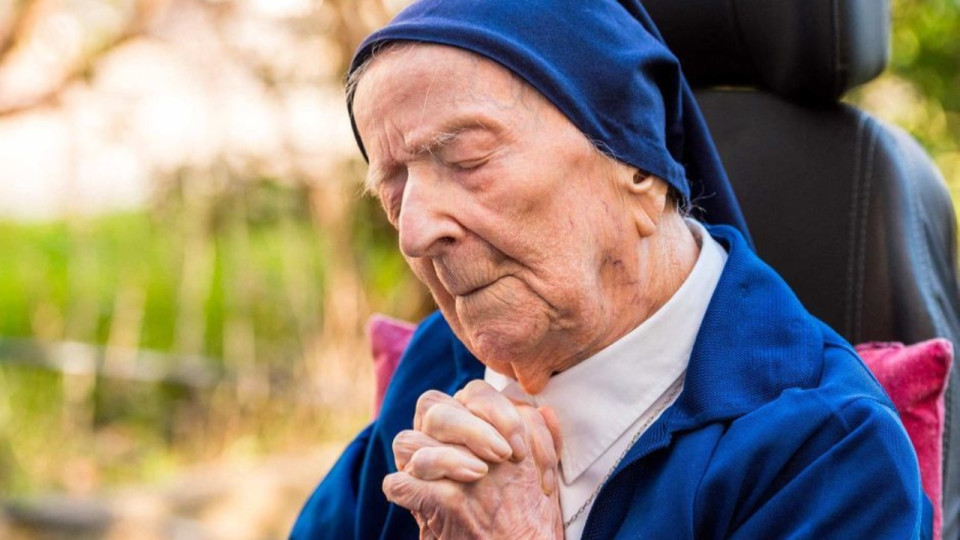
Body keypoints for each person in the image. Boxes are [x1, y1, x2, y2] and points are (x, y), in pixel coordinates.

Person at [291, 0, 933, 538]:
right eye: (394, 190)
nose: (415, 232)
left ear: (639, 166)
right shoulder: (439, 365)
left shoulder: (828, 454)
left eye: (467, 159)